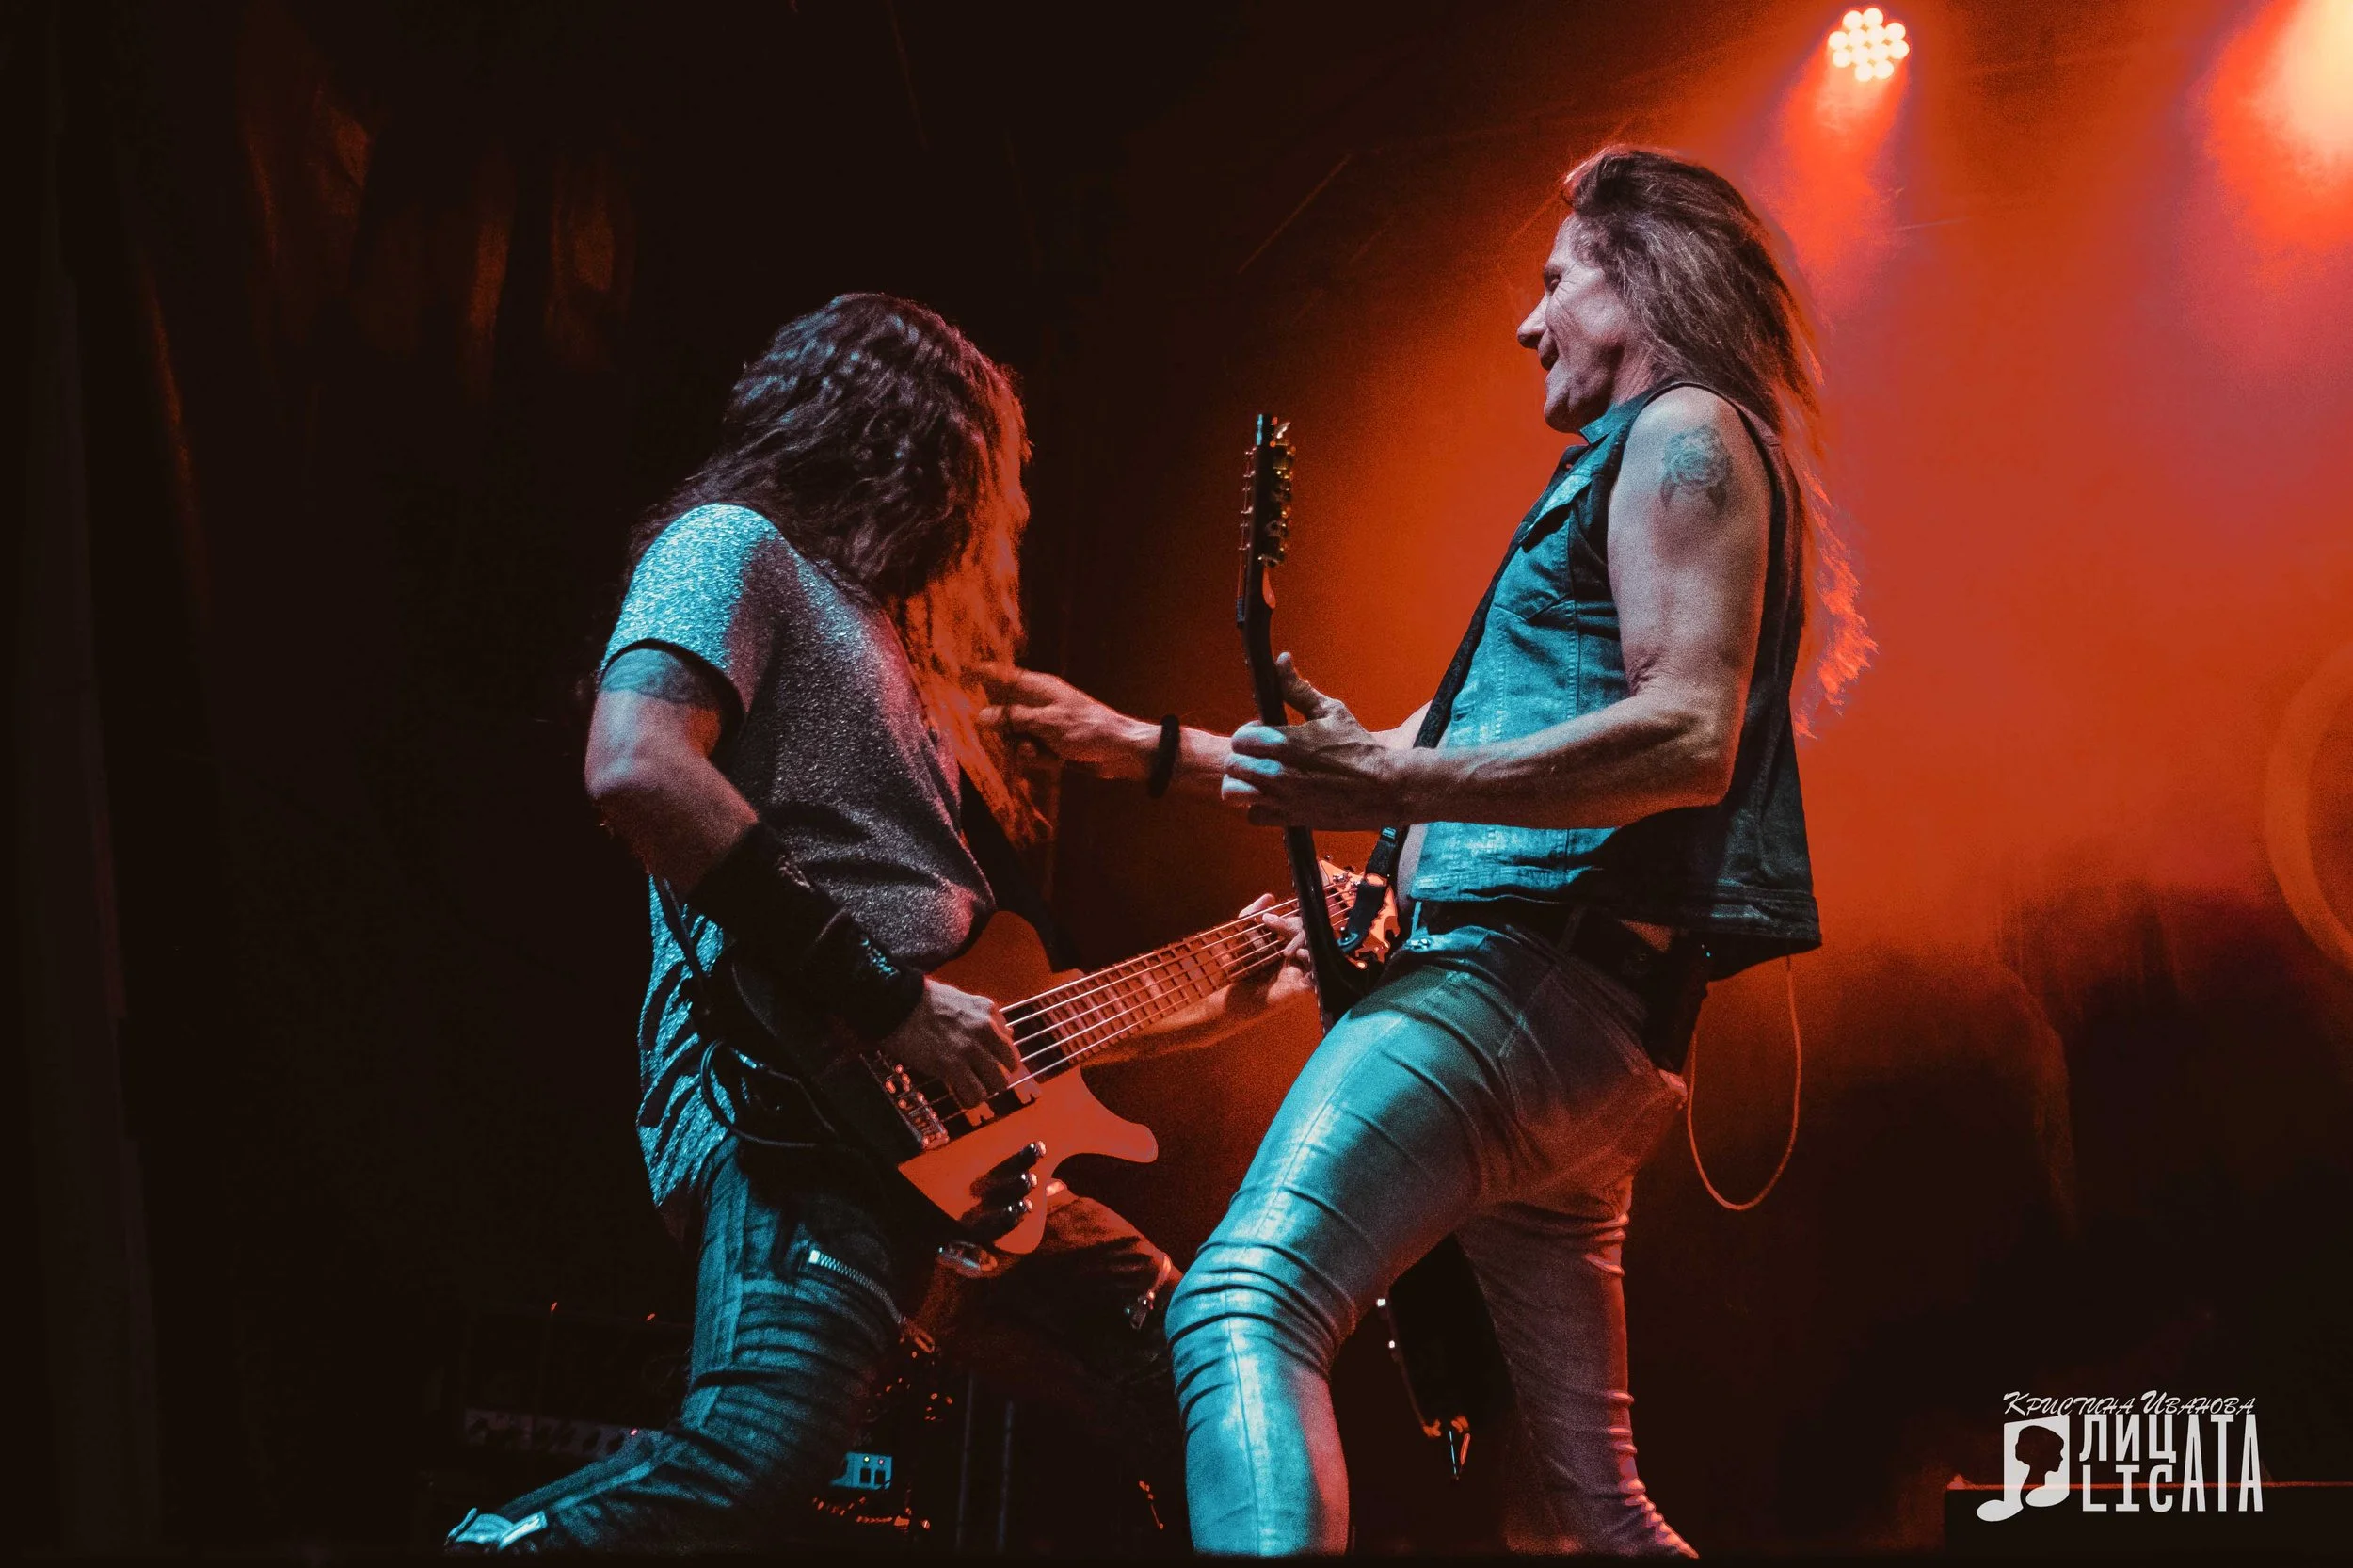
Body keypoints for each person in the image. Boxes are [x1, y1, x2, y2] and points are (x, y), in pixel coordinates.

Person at [986, 145, 1864, 1554]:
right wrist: (1139, 744)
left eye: (1558, 280)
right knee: (1594, 1506)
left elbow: (1686, 735)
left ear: (1643, 281)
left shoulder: (1687, 431)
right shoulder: (1645, 459)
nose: (1528, 322)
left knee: (1237, 1304)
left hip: (1516, 990)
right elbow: (1414, 757)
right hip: (1584, 1035)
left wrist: (1393, 774)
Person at [447, 294, 1306, 1552]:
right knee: (748, 1458)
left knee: (1203, 1383)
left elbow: (1005, 1024)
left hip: (956, 1150)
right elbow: (637, 764)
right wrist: (891, 1000)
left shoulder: (902, 655)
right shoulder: (732, 547)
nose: (996, 516)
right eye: (992, 474)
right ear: (919, 444)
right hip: (791, 1096)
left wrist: (1239, 984)